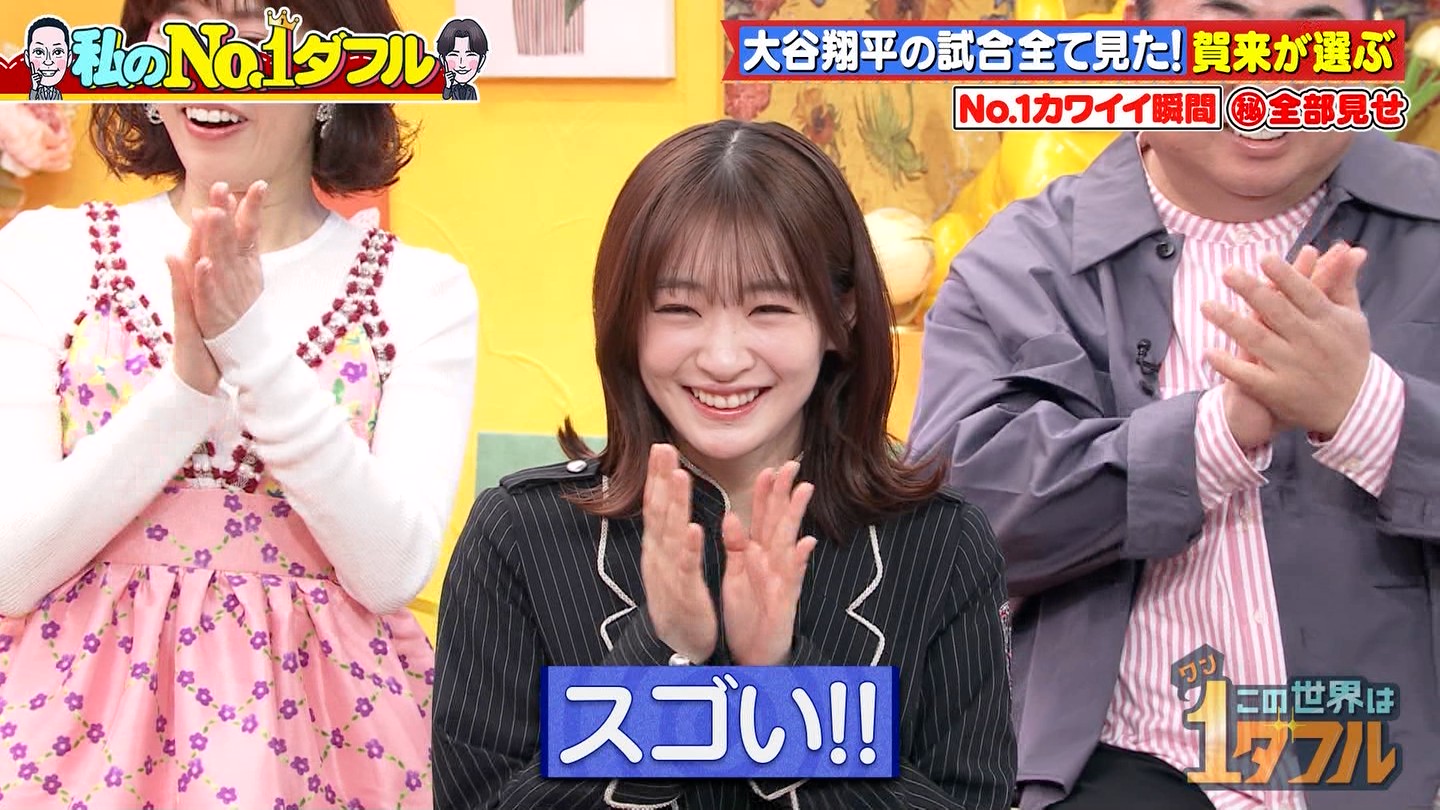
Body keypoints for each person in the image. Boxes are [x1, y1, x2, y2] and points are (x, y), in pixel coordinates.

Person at [908, 0, 1440, 806]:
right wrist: (1213, 436)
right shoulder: (1019, 263)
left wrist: (1367, 411)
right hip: (1119, 770)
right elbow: (951, 528)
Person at [432, 119, 1016, 810]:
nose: (723, 358)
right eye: (679, 308)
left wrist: (779, 681)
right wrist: (664, 654)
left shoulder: (941, 545)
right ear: (627, 320)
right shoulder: (520, 536)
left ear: (842, 316)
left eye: (769, 307)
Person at [0, 0, 478, 806]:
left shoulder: (421, 292)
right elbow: (11, 569)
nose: (207, 64)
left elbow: (391, 569)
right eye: (177, 32)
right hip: (64, 739)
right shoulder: (44, 256)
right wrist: (186, 391)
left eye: (255, 38)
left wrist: (247, 345)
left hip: (330, 742)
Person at [23, 16, 70, 101]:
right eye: (39, 52)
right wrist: (34, 88)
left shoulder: (58, 93)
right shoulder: (35, 91)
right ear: (27, 57)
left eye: (57, 52)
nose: (48, 62)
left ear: (69, 58)